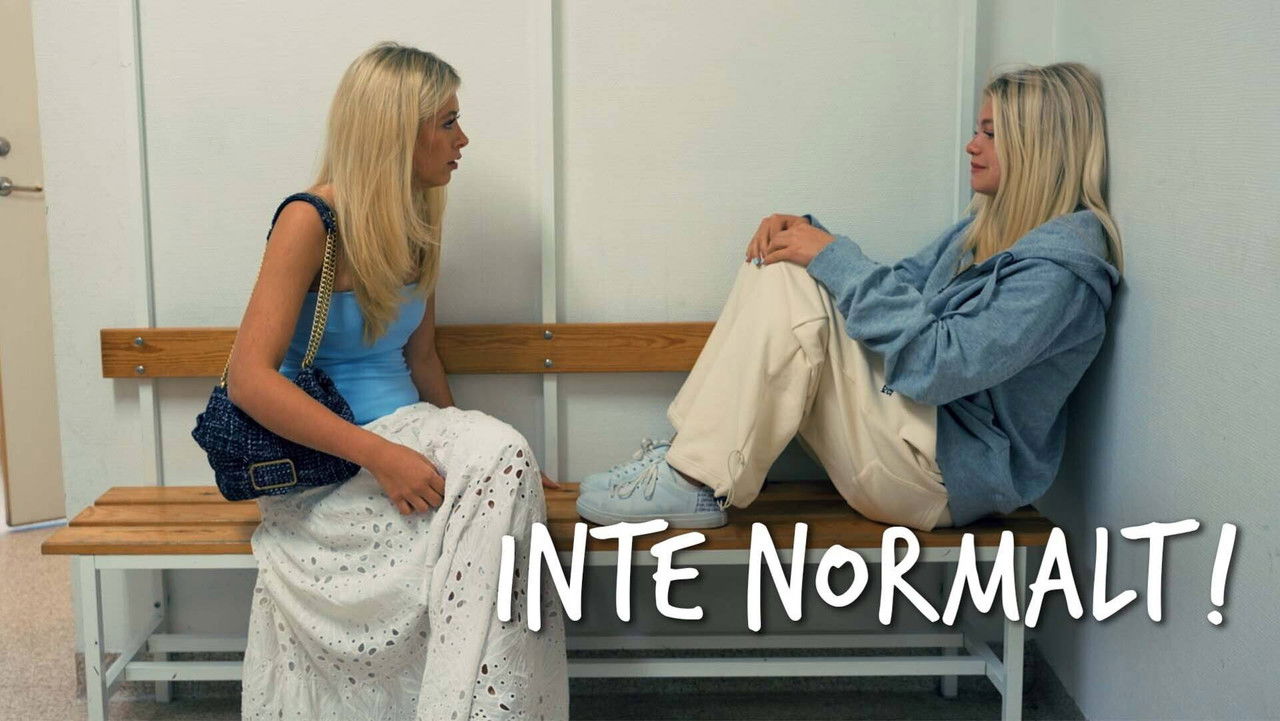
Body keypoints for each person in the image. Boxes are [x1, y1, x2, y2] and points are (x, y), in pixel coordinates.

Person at [575, 62, 1123, 532]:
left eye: (990, 133)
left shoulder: (1059, 277)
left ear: (1035, 148)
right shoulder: (983, 230)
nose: (971, 145)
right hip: (911, 440)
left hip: (939, 479)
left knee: (794, 273)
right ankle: (691, 463)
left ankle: (695, 476)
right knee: (785, 260)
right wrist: (810, 238)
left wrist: (825, 254)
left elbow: (938, 366)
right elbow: (898, 285)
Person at [226, 43, 567, 720]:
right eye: (448, 121)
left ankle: (466, 704)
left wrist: (494, 471)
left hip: (409, 434)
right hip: (327, 462)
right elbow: (248, 380)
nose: (462, 139)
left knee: (503, 458)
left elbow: (423, 359)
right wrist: (382, 457)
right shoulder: (308, 221)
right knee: (499, 457)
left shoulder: (416, 221)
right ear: (395, 131)